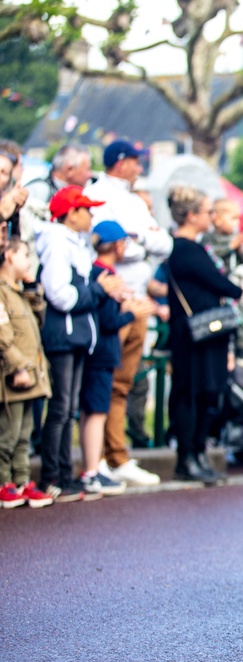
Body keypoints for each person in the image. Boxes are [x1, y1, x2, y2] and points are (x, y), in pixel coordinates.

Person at [85, 139, 171, 487]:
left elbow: (163, 244)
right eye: (136, 162)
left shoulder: (132, 199)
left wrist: (143, 239)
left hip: (135, 302)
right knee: (108, 382)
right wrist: (142, 239)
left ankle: (115, 456)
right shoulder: (101, 193)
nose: (140, 168)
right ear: (121, 163)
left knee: (120, 383)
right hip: (117, 301)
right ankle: (106, 458)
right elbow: (109, 243)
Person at [35, 186, 125, 502]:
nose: (90, 215)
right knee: (61, 408)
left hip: (76, 335)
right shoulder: (57, 242)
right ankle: (52, 476)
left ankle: (63, 472)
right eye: (86, 209)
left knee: (68, 408)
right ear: (71, 213)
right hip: (65, 335)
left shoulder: (74, 243)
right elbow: (60, 293)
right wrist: (97, 292)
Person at [164, 186, 243, 484]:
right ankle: (188, 456)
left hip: (205, 333)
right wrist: (237, 289)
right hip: (193, 335)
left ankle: (197, 453)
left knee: (206, 394)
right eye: (207, 211)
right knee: (191, 394)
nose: (212, 217)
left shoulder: (193, 246)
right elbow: (219, 282)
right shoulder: (184, 248)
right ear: (191, 215)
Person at [79, 221, 158, 498]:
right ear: (118, 245)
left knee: (96, 408)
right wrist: (131, 313)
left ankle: (98, 464)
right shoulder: (103, 275)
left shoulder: (98, 273)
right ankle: (95, 467)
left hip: (100, 351)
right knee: (98, 408)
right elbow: (107, 321)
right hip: (103, 352)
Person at [0, 237, 54, 509]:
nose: (29, 262)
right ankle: (3, 483)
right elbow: (3, 334)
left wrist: (32, 287)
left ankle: (21, 481)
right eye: (25, 255)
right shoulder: (1, 291)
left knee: (24, 434)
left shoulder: (18, 291)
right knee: (7, 433)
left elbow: (39, 321)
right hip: (13, 376)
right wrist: (17, 366)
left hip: (31, 374)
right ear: (9, 256)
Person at [20, 143, 95, 280]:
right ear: (69, 170)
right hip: (38, 271)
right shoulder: (40, 189)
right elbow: (26, 234)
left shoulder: (77, 190)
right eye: (87, 169)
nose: (90, 174)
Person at [204, 198, 243, 274]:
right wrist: (230, 247)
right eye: (233, 218)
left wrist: (240, 248)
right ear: (218, 220)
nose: (237, 222)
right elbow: (210, 254)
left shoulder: (235, 237)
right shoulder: (208, 237)